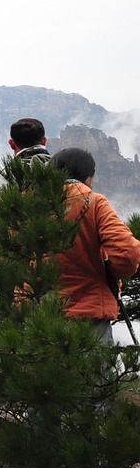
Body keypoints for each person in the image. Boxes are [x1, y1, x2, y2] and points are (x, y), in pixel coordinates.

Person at [49, 147, 140, 345]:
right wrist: (110, 274)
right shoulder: (94, 202)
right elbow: (127, 253)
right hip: (89, 318)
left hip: (40, 318)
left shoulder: (32, 207)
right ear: (89, 177)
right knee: (94, 366)